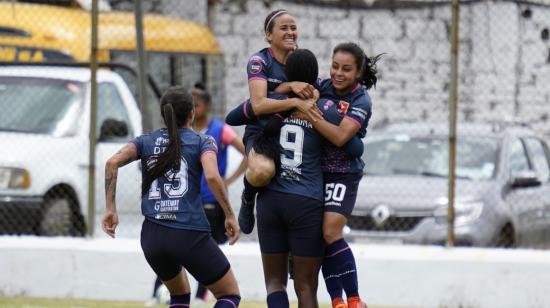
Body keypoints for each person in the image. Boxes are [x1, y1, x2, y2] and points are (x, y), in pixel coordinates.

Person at [101, 86, 241, 308]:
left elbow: (111, 163)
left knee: (179, 297)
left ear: (163, 113)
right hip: (188, 232)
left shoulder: (145, 141)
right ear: (191, 114)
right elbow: (213, 177)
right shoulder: (202, 141)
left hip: (152, 236)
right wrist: (230, 214)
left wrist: (110, 208)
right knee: (229, 295)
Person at [303, 42, 381, 308]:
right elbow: (282, 88)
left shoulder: (361, 100)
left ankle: (356, 300)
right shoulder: (322, 85)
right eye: (335, 66)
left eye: (346, 69)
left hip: (342, 175)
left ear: (358, 73)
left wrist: (311, 114)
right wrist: (293, 89)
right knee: (319, 237)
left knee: (331, 231)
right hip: (315, 174)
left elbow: (340, 137)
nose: (338, 73)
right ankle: (337, 301)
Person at [237, 9, 322, 235]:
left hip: (296, 133)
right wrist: (292, 95)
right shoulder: (259, 61)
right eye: (283, 28)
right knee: (263, 170)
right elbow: (258, 105)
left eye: (293, 28)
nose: (290, 32)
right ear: (268, 35)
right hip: (263, 132)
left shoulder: (302, 60)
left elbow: (313, 94)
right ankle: (248, 196)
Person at [253, 49, 325, 308]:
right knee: (305, 286)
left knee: (274, 282)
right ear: (316, 75)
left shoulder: (271, 104)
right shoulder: (323, 108)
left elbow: (234, 117)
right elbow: (350, 147)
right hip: (306, 201)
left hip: (271, 199)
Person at [191, 83, 247, 303]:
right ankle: (161, 291)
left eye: (197, 105)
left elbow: (248, 153)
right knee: (181, 244)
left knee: (208, 248)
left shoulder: (219, 129)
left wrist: (230, 180)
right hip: (188, 200)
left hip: (211, 201)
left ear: (207, 106)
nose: (194, 110)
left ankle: (200, 294)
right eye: (191, 105)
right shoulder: (185, 131)